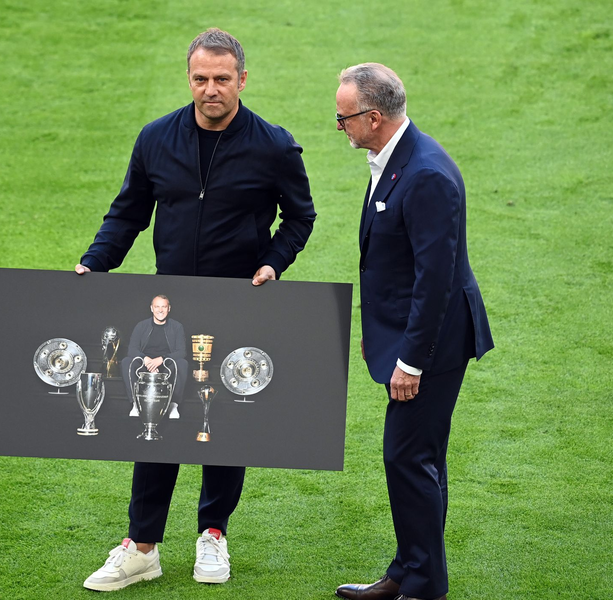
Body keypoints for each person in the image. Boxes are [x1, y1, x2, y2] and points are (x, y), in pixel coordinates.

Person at [75, 28, 315, 592]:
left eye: (222, 79)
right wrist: (94, 264)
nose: (211, 89)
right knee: (154, 421)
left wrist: (273, 263)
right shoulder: (156, 138)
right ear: (190, 78)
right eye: (201, 78)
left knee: (223, 424)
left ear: (242, 80)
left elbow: (300, 218)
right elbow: (127, 213)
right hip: (168, 308)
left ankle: (214, 534)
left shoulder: (275, 147)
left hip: (238, 305)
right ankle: (142, 546)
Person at [332, 63, 493, 600]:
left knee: (408, 455)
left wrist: (411, 361)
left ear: (373, 117)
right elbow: (394, 264)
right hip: (412, 332)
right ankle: (408, 570)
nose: (340, 126)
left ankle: (422, 585)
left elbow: (435, 281)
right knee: (419, 455)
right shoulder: (394, 158)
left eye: (344, 118)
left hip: (436, 342)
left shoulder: (424, 174)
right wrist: (378, 332)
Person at [121, 295, 188, 420]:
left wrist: (161, 359)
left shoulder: (177, 326)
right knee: (126, 362)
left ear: (169, 309)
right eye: (157, 306)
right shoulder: (141, 326)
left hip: (166, 363)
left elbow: (181, 351)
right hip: (144, 363)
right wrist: (146, 360)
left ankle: (173, 405)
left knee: (182, 363)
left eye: (164, 306)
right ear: (151, 308)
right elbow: (132, 349)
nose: (160, 310)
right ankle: (135, 404)